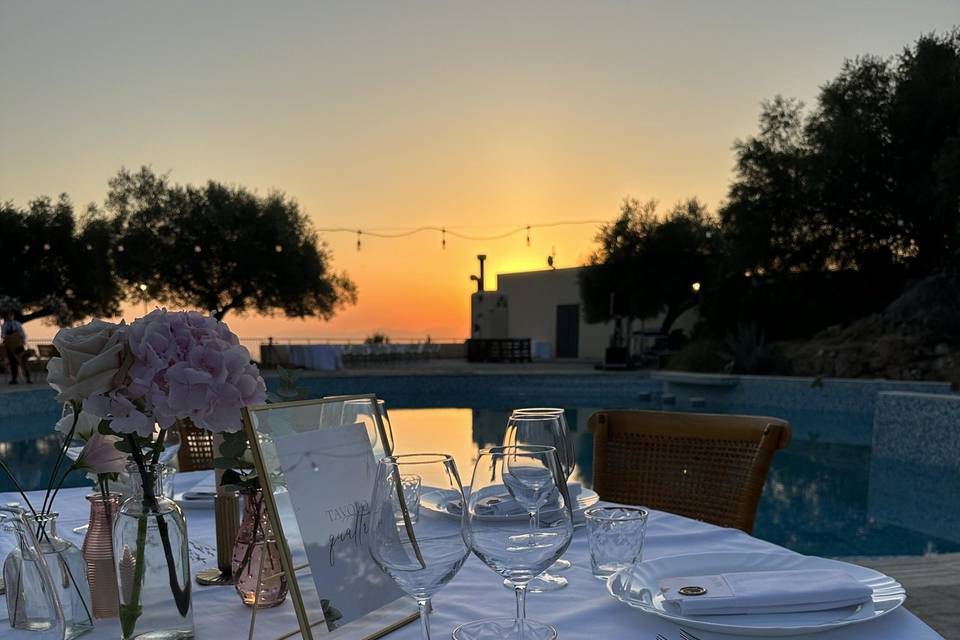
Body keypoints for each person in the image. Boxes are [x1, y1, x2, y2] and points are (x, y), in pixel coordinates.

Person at [1, 312, 31, 384]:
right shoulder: (5, 325)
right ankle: (14, 379)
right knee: (13, 363)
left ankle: (28, 378)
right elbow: (3, 335)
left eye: (11, 315)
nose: (10, 317)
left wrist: (22, 341)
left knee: (23, 362)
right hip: (10, 346)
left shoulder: (17, 324)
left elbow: (23, 334)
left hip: (19, 345)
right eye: (8, 316)